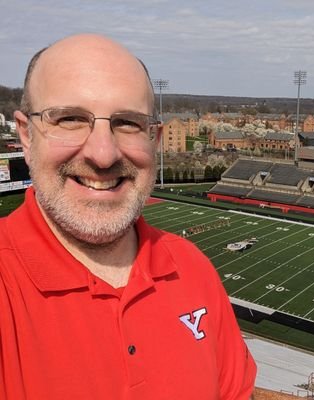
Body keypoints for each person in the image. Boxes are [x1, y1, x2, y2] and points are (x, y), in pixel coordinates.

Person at [0, 34, 257, 399]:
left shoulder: (192, 268)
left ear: (155, 139)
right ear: (26, 135)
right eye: (70, 119)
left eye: (127, 122)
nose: (103, 155)